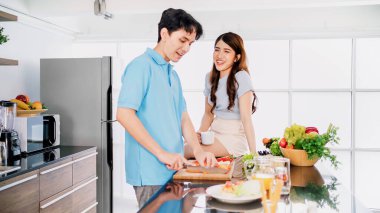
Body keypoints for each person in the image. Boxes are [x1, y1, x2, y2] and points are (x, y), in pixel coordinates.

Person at [116, 8, 217, 207]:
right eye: (182, 40)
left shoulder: (172, 74)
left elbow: (183, 117)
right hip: (150, 172)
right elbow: (124, 114)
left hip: (174, 168)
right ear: (164, 34)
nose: (186, 48)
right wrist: (162, 154)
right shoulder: (140, 67)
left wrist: (198, 151)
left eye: (190, 43)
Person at [185, 32, 257, 158]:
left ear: (237, 57)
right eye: (217, 50)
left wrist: (254, 154)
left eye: (227, 51)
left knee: (185, 150)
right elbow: (208, 114)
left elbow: (246, 119)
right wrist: (200, 134)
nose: (219, 55)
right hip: (214, 134)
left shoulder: (241, 77)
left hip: (233, 138)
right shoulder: (209, 78)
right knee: (184, 145)